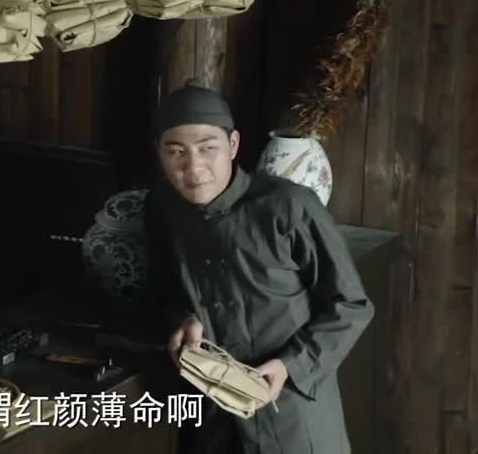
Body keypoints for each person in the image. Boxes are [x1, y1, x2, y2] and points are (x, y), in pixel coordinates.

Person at [144, 84, 374, 453]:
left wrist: (289, 366)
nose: (193, 167)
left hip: (293, 411)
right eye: (176, 152)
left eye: (208, 148)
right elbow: (165, 288)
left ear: (233, 144)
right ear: (159, 153)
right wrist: (185, 317)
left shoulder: (289, 205)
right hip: (213, 415)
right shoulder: (162, 208)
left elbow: (351, 305)